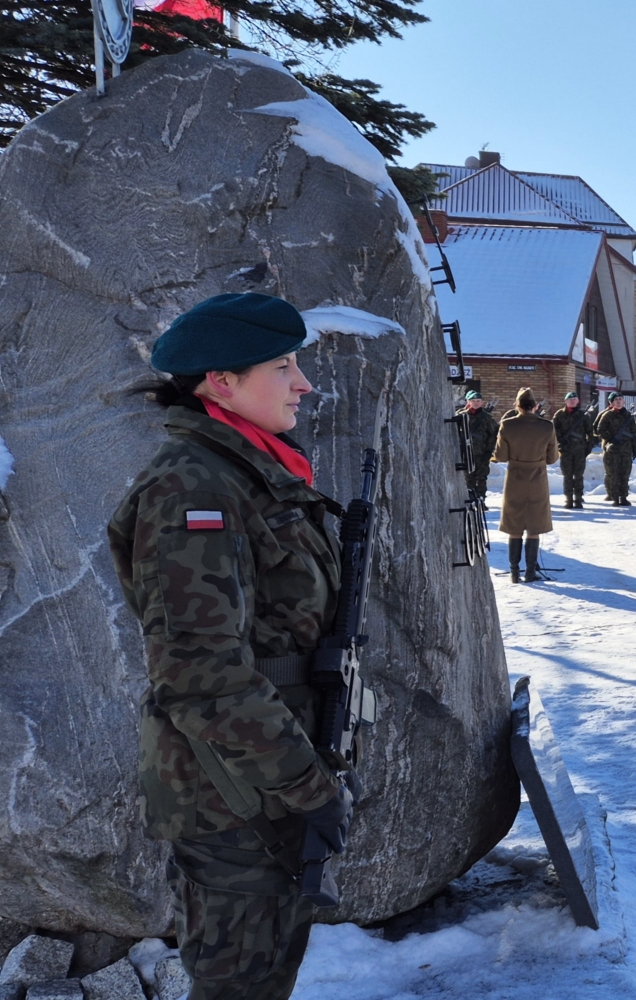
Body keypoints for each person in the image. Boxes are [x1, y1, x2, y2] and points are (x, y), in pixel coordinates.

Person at [110, 293, 354, 1000]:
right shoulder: (194, 487)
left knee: (267, 973)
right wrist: (309, 786)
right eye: (283, 366)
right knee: (238, 986)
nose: (304, 384)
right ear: (222, 381)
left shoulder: (252, 474)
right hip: (232, 791)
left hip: (268, 775)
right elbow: (199, 671)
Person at [492, 387, 559, 583]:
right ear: (535, 406)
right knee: (534, 527)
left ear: (517, 406)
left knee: (514, 526)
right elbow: (552, 458)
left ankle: (514, 572)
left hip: (515, 479)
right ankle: (530, 571)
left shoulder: (506, 425)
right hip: (537, 478)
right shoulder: (547, 427)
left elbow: (500, 456)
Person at [552, 391, 595, 509]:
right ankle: (569, 498)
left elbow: (590, 434)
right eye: (570, 399)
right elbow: (554, 431)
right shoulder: (559, 415)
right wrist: (561, 442)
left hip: (580, 450)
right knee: (567, 475)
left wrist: (588, 448)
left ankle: (578, 498)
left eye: (574, 399)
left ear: (578, 401)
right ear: (566, 401)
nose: (572, 401)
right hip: (566, 450)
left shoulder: (583, 416)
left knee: (579, 475)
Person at [593, 394, 636, 507]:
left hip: (626, 449)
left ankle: (623, 497)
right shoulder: (607, 415)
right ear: (612, 403)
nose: (618, 401)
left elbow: (633, 433)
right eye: (616, 400)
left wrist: (635, 447)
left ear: (623, 402)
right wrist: (610, 439)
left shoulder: (628, 416)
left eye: (620, 399)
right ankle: (615, 497)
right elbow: (599, 430)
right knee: (613, 473)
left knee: (625, 473)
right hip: (612, 450)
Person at [456, 390, 500, 499]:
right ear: (468, 401)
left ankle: (481, 500)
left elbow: (493, 434)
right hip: (465, 453)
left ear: (482, 402)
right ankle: (470, 499)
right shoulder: (461, 416)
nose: (476, 403)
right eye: (473, 400)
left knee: (481, 478)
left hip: (481, 453)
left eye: (478, 401)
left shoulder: (487, 418)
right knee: (467, 478)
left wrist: (489, 450)